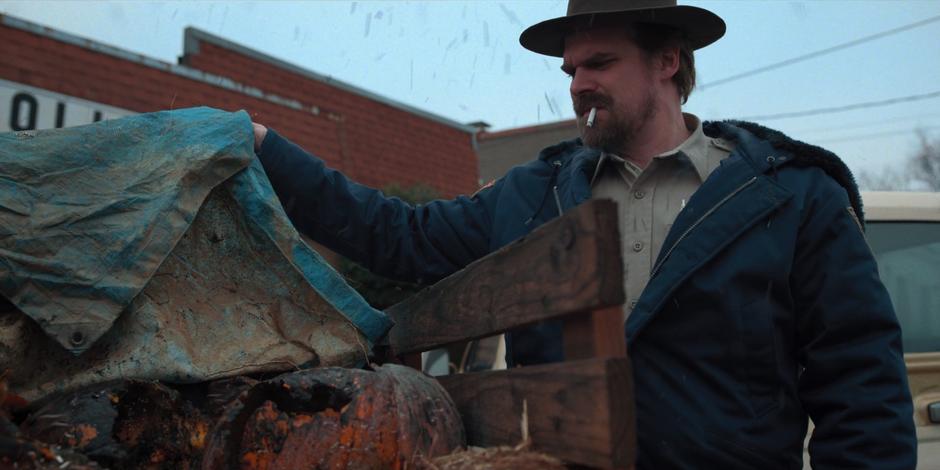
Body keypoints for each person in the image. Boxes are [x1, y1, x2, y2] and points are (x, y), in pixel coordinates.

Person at [250, 1, 916, 467]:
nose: (578, 84)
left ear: (667, 61)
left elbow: (859, 382)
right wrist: (263, 149)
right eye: (570, 70)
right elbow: (396, 235)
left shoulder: (788, 194)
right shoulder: (533, 194)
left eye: (599, 62)